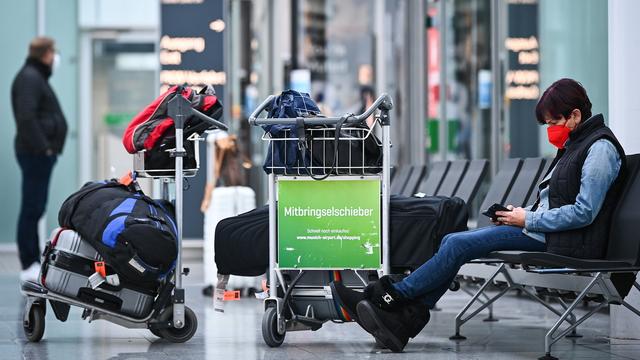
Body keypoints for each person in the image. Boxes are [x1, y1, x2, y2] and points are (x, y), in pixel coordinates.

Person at [331, 78, 626, 352]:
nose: (551, 130)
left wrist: (528, 219)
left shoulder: (599, 149)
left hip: (565, 240)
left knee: (457, 244)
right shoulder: (576, 145)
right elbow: (559, 201)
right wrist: (519, 213)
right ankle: (402, 320)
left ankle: (390, 298)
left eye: (554, 122)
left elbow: (585, 212)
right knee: (451, 240)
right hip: (546, 231)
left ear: (575, 115)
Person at [12, 37, 67, 282]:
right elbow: (26, 118)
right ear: (46, 54)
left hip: (38, 154)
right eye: (53, 52)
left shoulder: (36, 77)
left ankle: (32, 260)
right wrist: (44, 148)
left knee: (36, 206)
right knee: (32, 207)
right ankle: (28, 263)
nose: (55, 57)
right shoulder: (30, 78)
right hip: (34, 154)